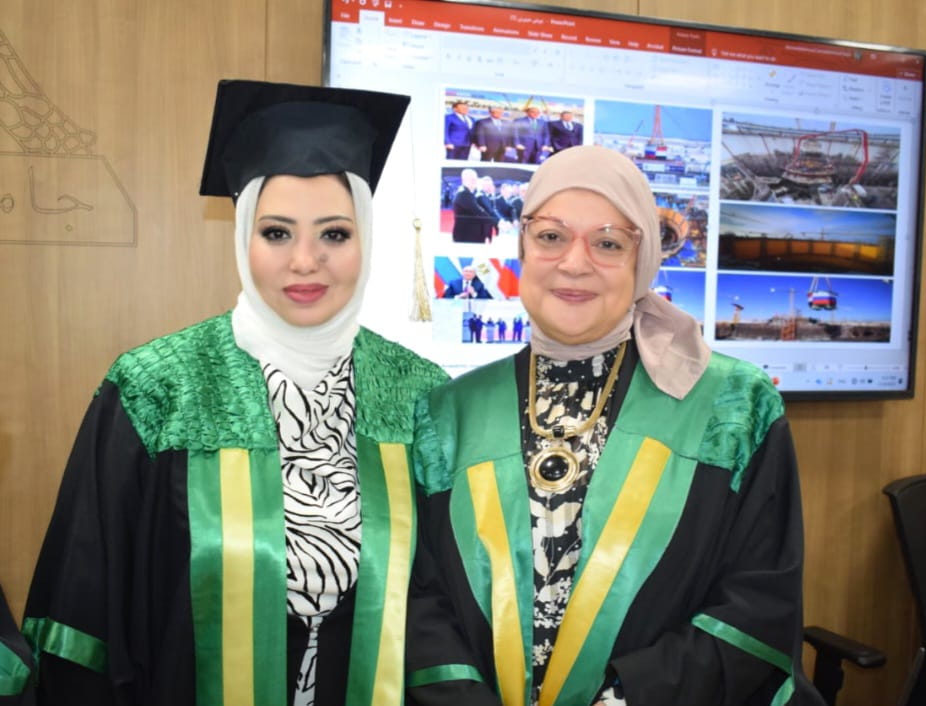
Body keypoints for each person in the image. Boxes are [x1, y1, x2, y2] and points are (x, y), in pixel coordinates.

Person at [22, 79, 448, 706]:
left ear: (366, 239)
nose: (305, 261)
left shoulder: (419, 396)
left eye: (334, 234)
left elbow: (447, 613)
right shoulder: (156, 388)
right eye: (276, 233)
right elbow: (84, 615)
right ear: (244, 236)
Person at [406, 145, 823, 706]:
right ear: (523, 248)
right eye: (551, 236)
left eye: (607, 243)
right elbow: (421, 601)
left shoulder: (734, 408)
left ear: (641, 262)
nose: (574, 263)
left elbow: (757, 605)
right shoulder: (446, 415)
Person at [452, 168, 497, 244]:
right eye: (472, 180)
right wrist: (497, 223)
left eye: (475, 179)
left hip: (469, 235)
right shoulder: (464, 194)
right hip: (467, 236)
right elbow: (479, 212)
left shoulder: (468, 193)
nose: (475, 182)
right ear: (464, 180)